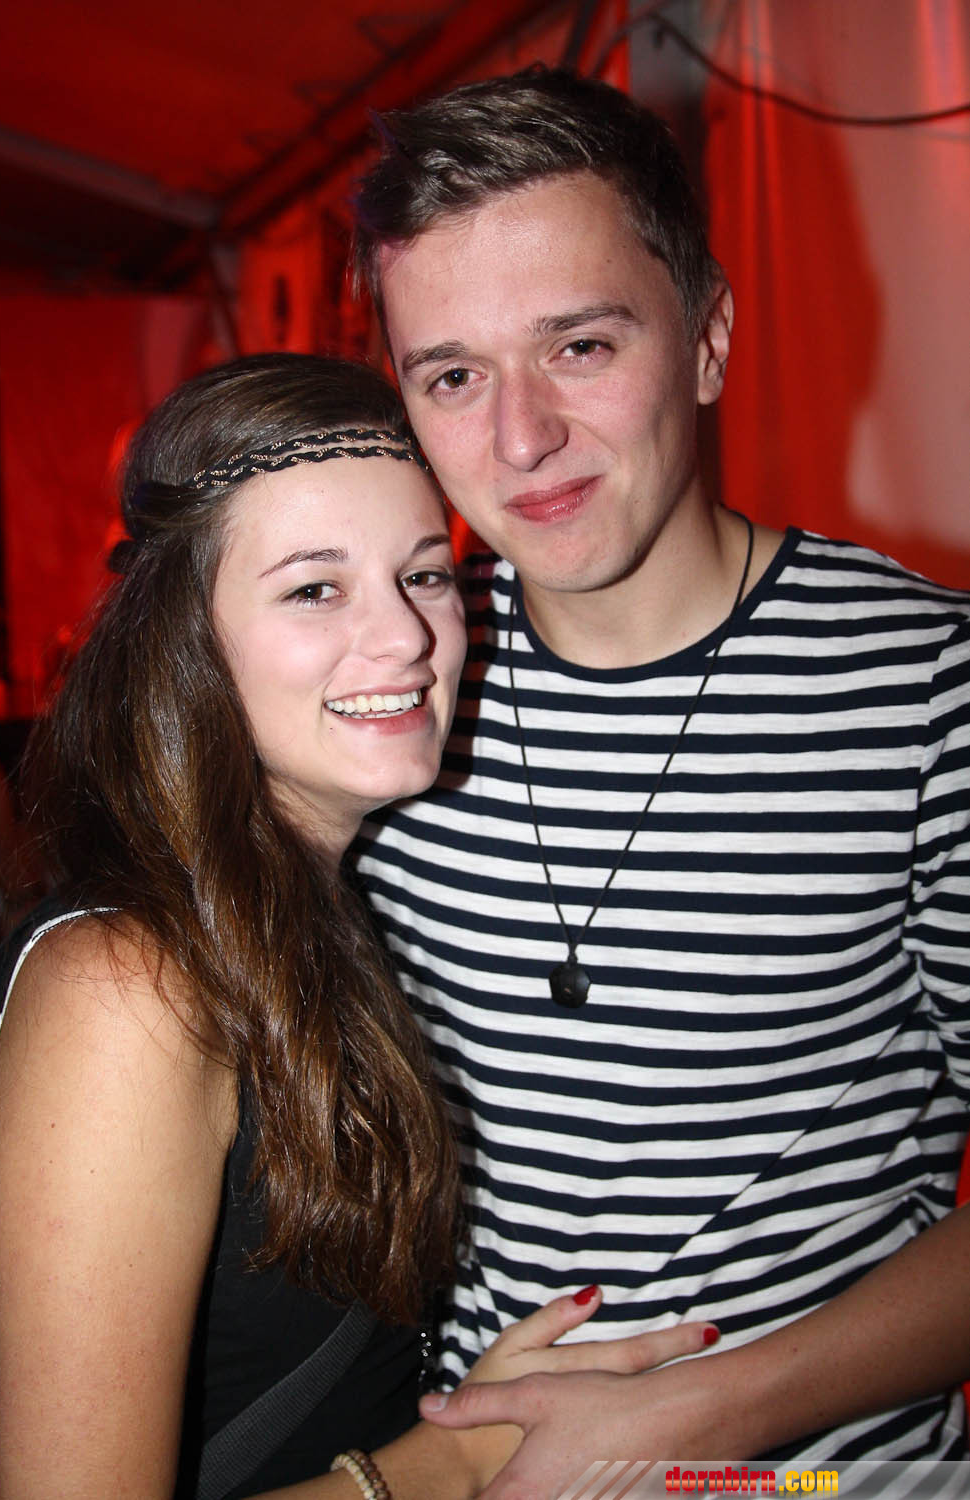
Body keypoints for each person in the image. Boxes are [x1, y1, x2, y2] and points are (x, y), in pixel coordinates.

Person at [346, 65, 970, 1492]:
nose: (519, 440)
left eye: (577, 346)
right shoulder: (387, 682)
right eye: (453, 376)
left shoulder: (925, 690)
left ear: (707, 338)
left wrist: (689, 1421)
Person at [0, 352, 708, 1500]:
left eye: (423, 575)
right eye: (315, 589)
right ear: (185, 637)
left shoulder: (323, 913)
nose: (406, 637)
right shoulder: (129, 985)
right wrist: (452, 1459)